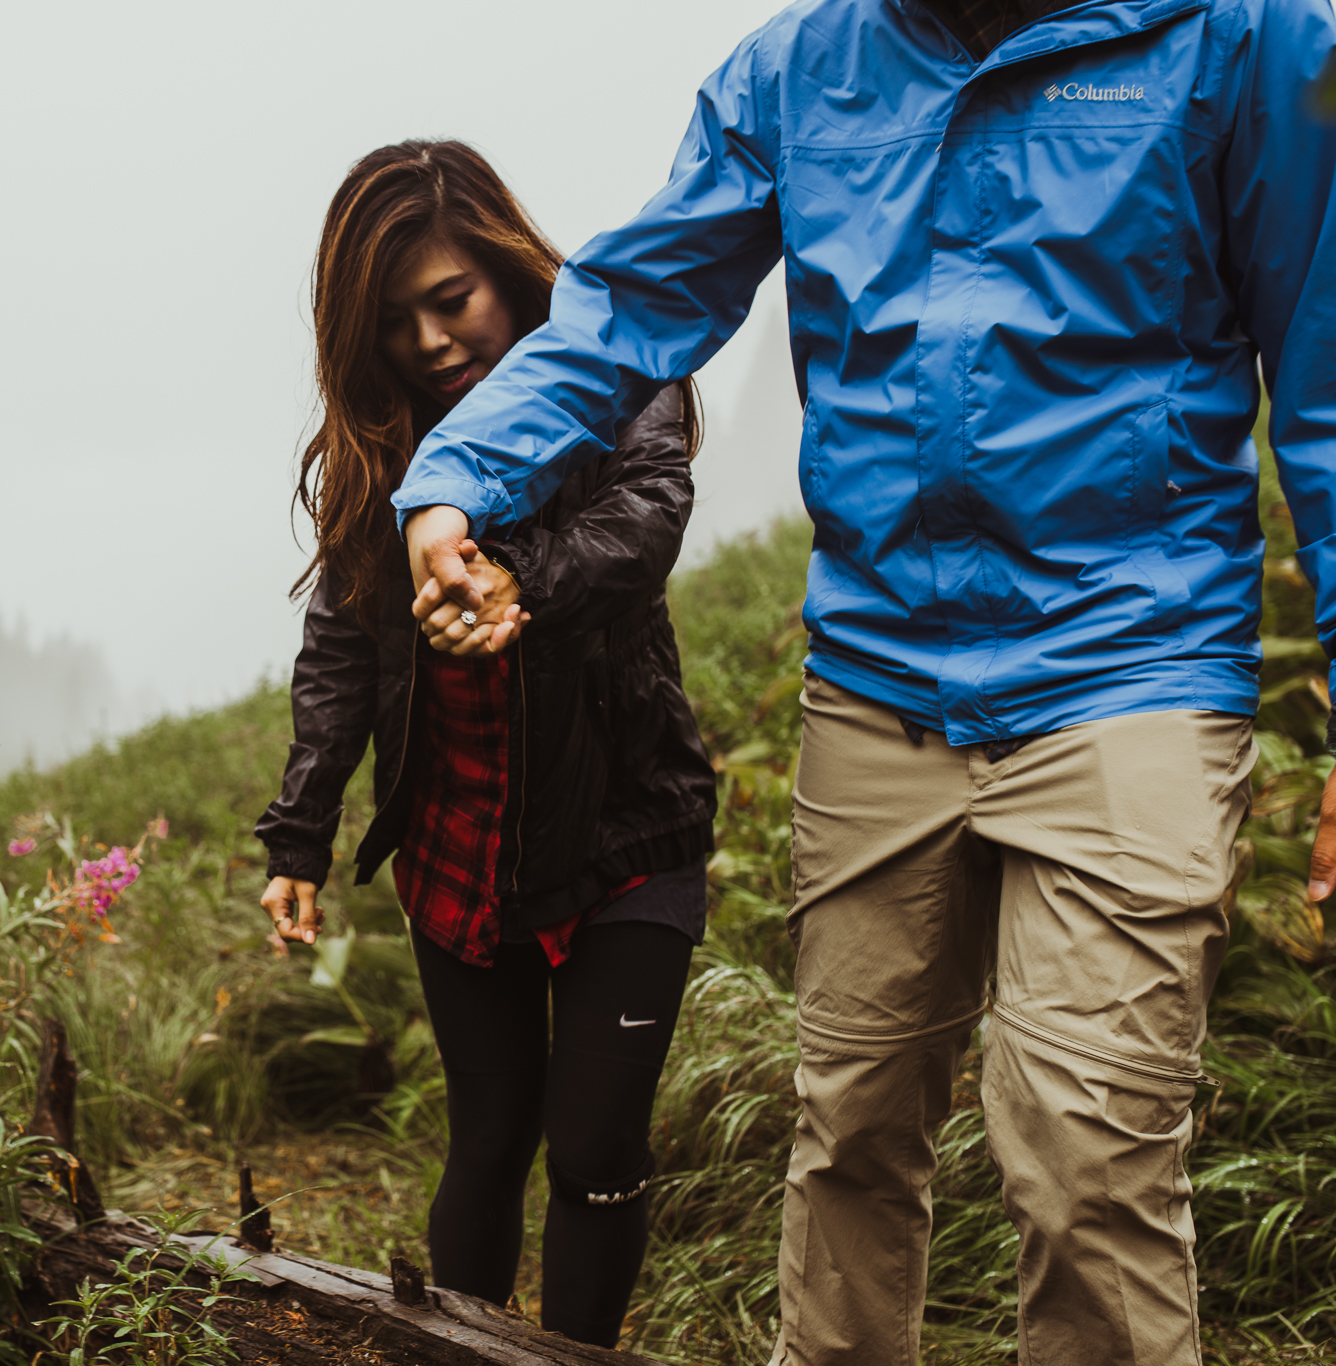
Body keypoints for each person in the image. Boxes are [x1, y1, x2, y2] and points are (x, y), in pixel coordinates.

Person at [394, 2, 1336, 1364]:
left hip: (1133, 665)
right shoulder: (797, 73)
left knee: (1086, 1157)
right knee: (848, 1140)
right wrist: (452, 493)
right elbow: (627, 306)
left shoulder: (1248, 45)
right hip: (879, 680)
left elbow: (1323, 385)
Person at [252, 140, 718, 1349]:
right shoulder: (376, 448)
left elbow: (647, 517)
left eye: (449, 300)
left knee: (597, 1147)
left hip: (628, 835)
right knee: (489, 1136)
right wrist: (299, 832)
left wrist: (516, 578)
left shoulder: (615, 369)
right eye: (394, 319)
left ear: (508, 272)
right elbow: (343, 652)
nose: (428, 339)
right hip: (459, 854)